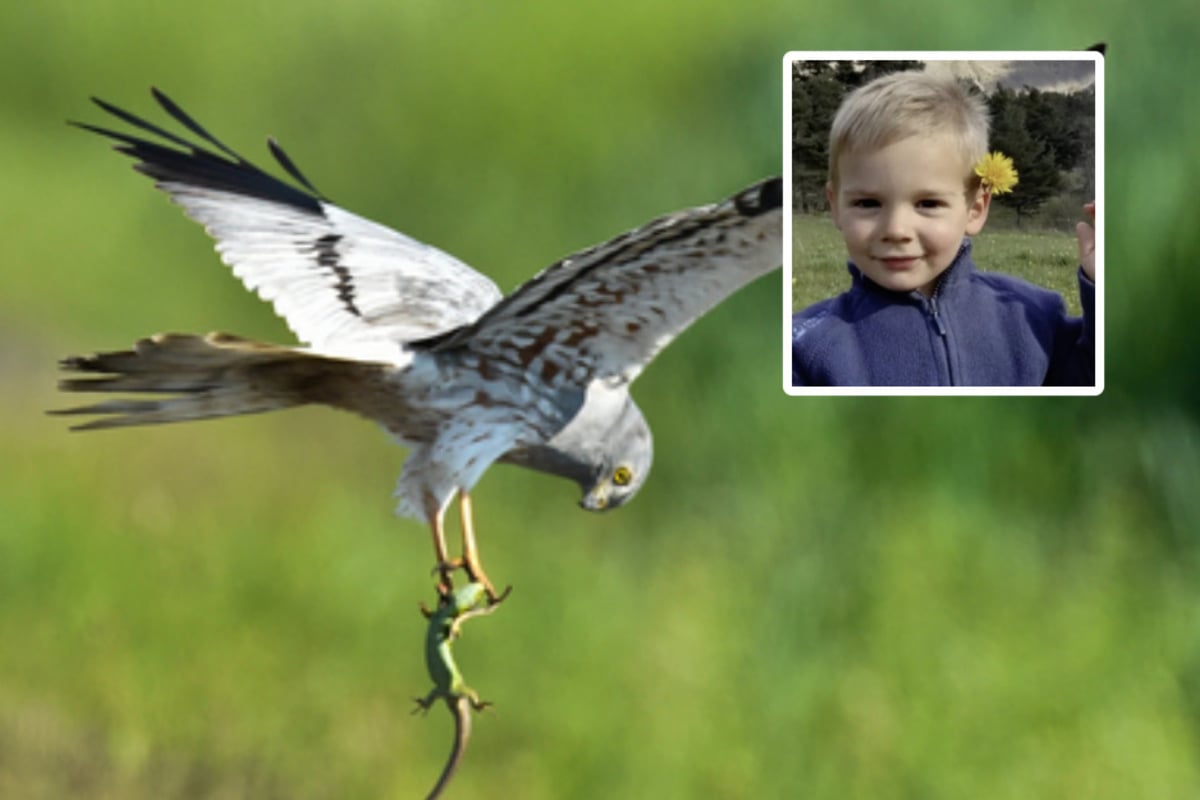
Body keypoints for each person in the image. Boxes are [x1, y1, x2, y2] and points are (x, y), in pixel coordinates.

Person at [791, 70, 1095, 387]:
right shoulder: (806, 348)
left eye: (928, 204)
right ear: (835, 205)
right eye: (868, 204)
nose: (896, 230)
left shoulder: (1032, 316)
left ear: (975, 209)